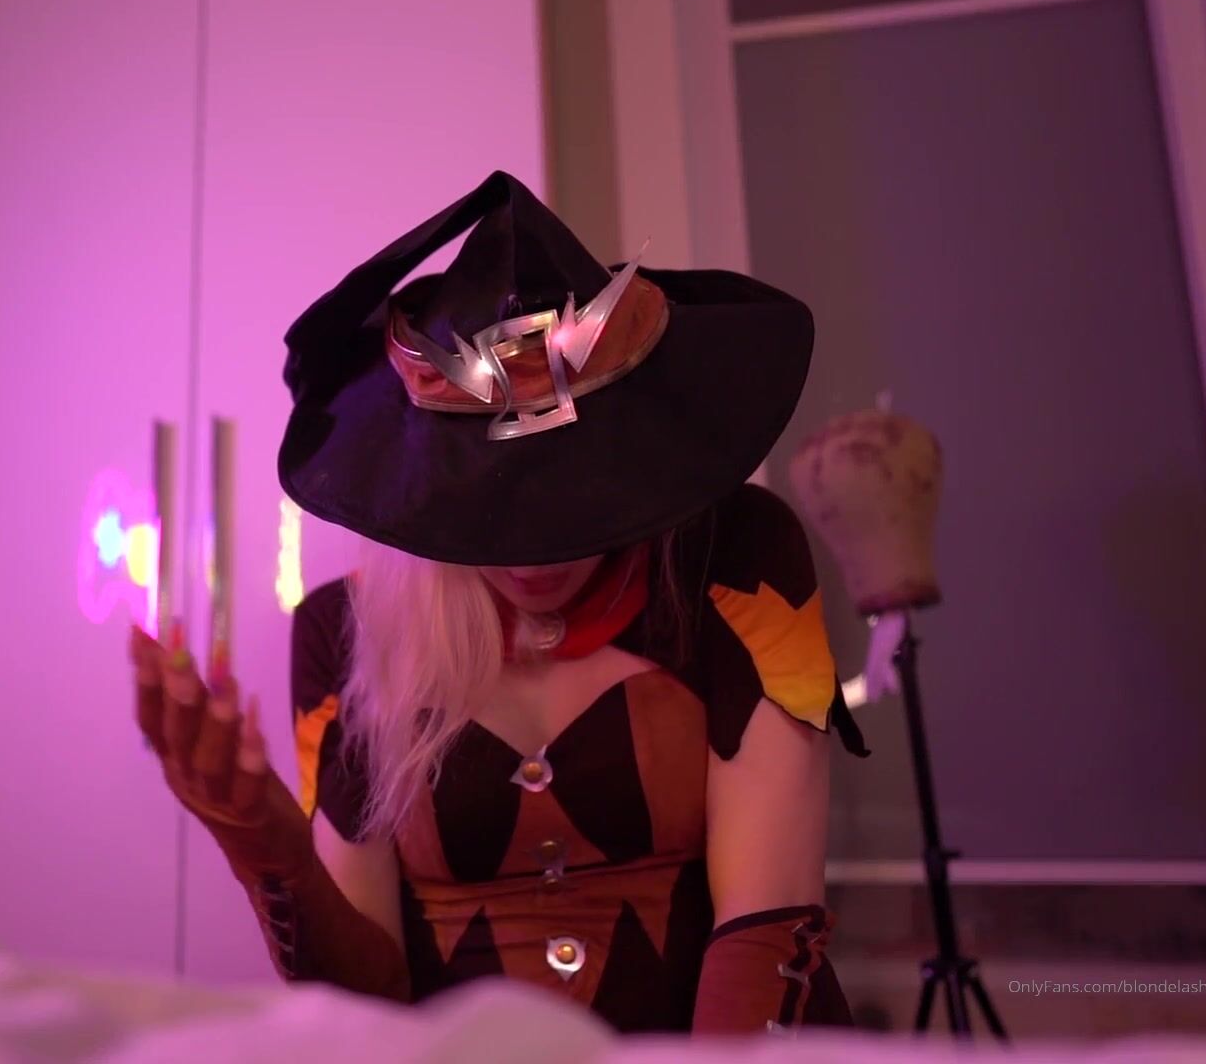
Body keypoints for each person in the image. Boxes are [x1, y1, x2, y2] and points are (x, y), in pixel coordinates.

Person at [129, 172, 868, 1035]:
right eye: (491, 503)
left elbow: (764, 930)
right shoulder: (345, 630)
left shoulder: (739, 556)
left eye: (570, 498)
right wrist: (266, 850)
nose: (530, 554)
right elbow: (362, 1011)